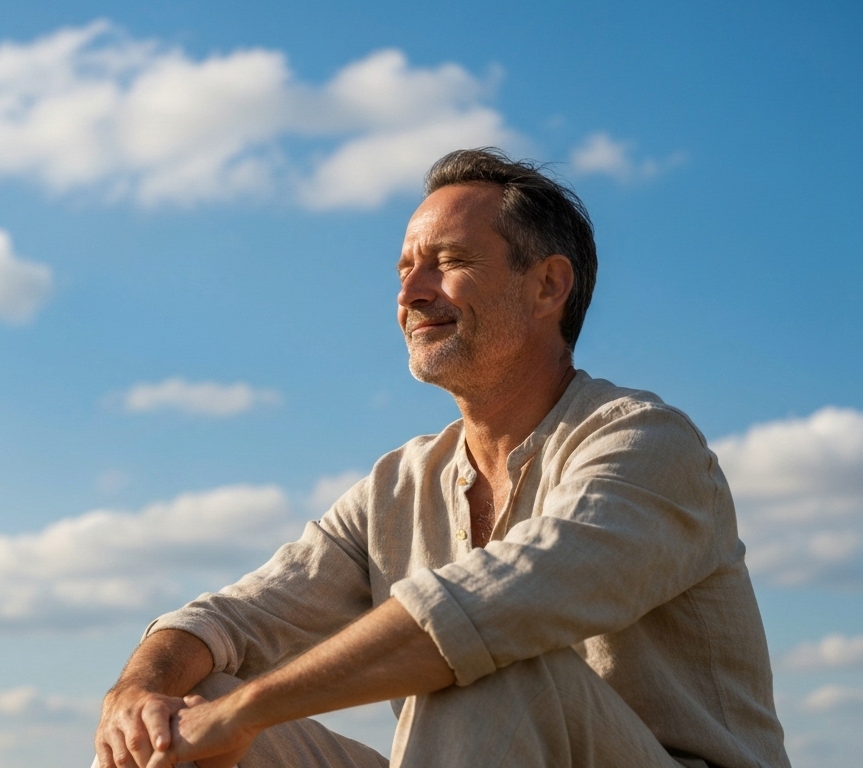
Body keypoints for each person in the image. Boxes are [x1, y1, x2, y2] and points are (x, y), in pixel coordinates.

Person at [91, 148, 790, 768]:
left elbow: (487, 613)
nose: (409, 294)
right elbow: (235, 617)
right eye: (405, 269)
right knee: (180, 710)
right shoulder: (400, 483)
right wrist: (139, 691)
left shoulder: (646, 444)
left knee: (484, 666)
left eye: (449, 263)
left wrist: (245, 714)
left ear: (548, 285)